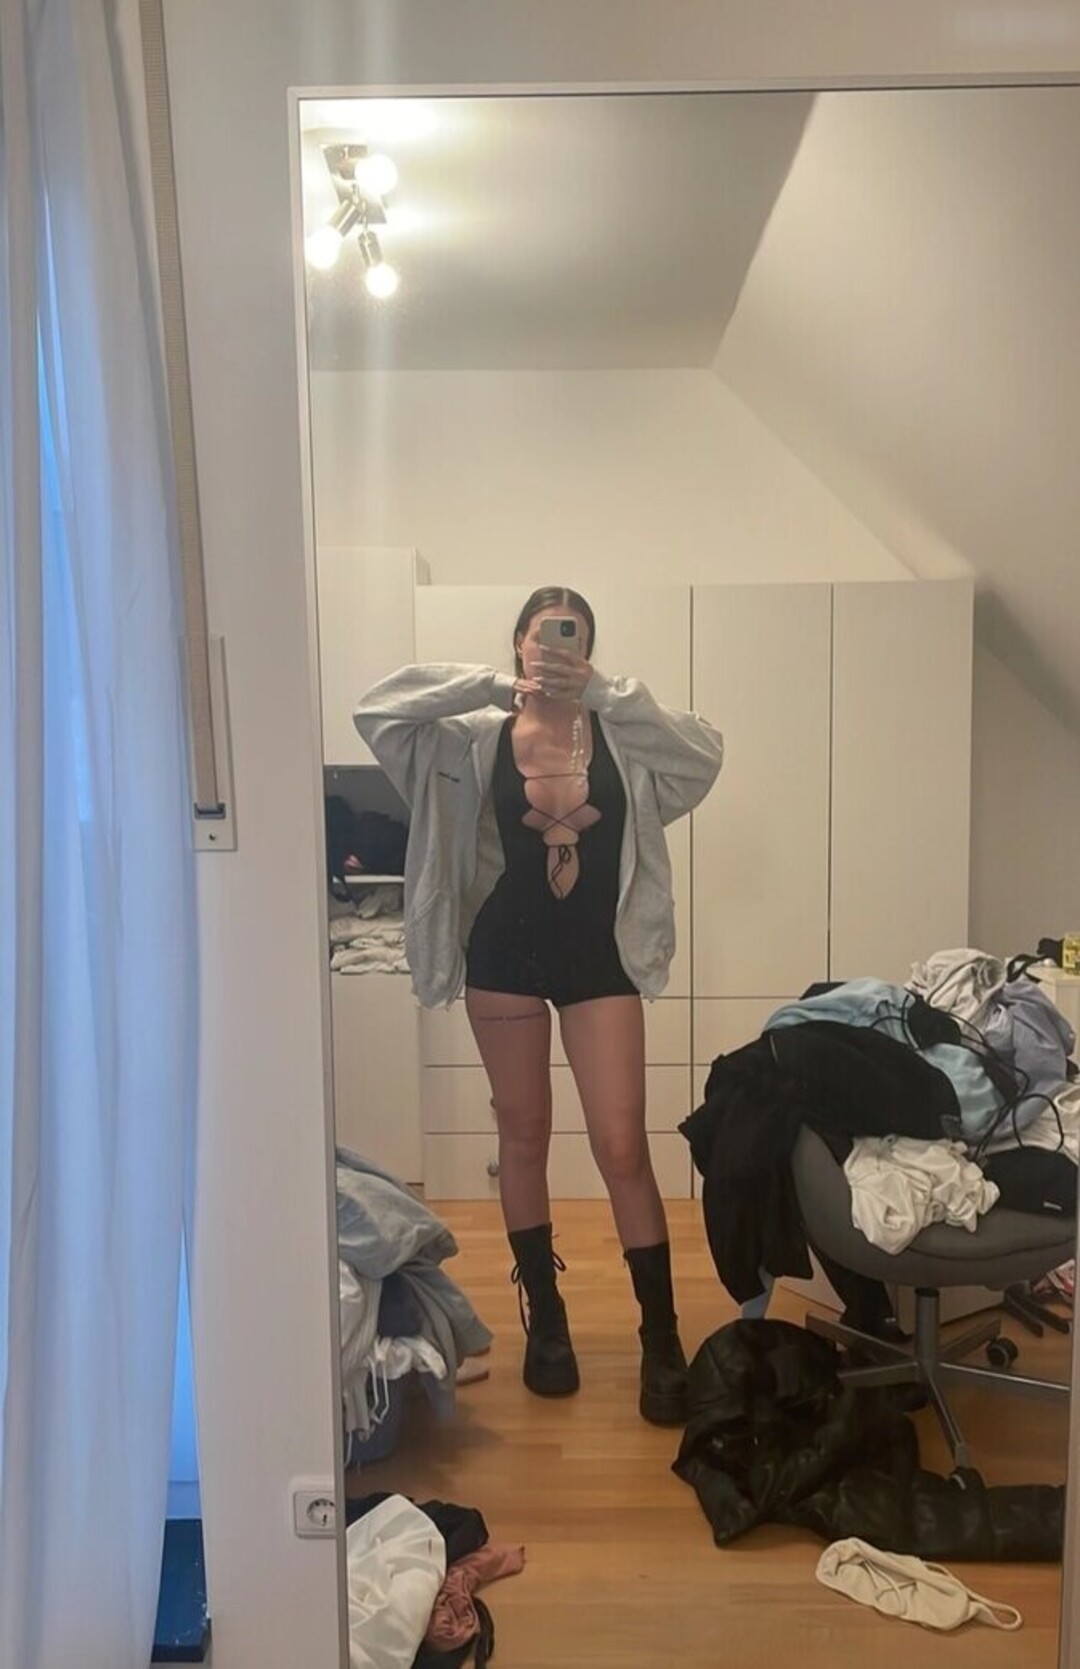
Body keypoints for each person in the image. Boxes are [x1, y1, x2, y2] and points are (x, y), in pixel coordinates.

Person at [354, 585, 723, 1424]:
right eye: (543, 635)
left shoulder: (621, 734)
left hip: (601, 958)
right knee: (522, 1133)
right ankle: (547, 1322)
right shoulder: (467, 739)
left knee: (622, 1144)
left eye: (573, 637)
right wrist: (491, 686)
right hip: (504, 955)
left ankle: (661, 1336)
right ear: (518, 641)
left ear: (589, 651)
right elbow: (377, 709)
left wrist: (605, 692)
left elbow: (703, 755)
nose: (557, 649)